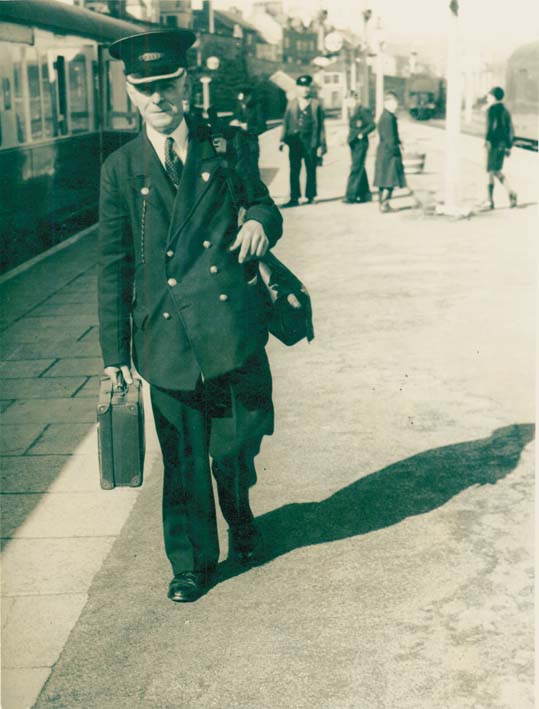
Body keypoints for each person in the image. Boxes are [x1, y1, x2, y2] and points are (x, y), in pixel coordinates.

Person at [98, 29, 283, 603]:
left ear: (186, 84)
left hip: (230, 330)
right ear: (131, 93)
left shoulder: (226, 144)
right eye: (145, 88)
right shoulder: (120, 168)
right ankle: (191, 563)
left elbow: (263, 202)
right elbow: (113, 265)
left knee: (235, 446)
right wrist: (114, 355)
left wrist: (259, 221)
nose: (158, 98)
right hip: (166, 337)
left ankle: (240, 513)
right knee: (181, 461)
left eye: (167, 85)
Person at [279, 75, 327, 207]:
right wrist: (282, 140)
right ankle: (294, 197)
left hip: (310, 142)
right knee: (294, 170)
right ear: (297, 88)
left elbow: (321, 126)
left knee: (311, 169)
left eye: (307, 87)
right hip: (294, 142)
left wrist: (321, 145)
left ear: (310, 88)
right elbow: (286, 122)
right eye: (302, 87)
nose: (305, 89)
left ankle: (311, 196)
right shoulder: (292, 103)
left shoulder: (316, 104)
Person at [483, 86, 517, 209]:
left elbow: (491, 127)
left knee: (490, 171)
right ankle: (511, 193)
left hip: (493, 144)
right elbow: (510, 129)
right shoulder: (505, 110)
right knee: (496, 171)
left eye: (489, 96)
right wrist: (508, 146)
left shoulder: (491, 110)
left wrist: (487, 140)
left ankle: (489, 200)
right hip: (502, 145)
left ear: (494, 97)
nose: (487, 98)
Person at [373, 91, 406, 213]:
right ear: (387, 103)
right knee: (390, 180)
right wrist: (396, 151)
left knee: (384, 180)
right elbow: (390, 138)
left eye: (396, 103)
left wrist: (399, 141)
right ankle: (384, 205)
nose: (396, 106)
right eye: (394, 103)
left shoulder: (385, 116)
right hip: (390, 154)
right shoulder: (389, 118)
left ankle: (383, 204)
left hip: (384, 152)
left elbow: (391, 135)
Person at [343, 93, 375, 204]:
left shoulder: (362, 110)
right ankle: (365, 195)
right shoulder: (352, 111)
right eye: (347, 101)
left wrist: (362, 133)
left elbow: (372, 125)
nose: (348, 103)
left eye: (350, 101)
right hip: (354, 143)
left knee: (355, 168)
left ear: (356, 99)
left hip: (361, 143)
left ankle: (350, 196)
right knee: (359, 167)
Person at [232, 87, 266, 176]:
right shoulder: (238, 106)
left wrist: (248, 128)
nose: (241, 101)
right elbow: (235, 118)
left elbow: (262, 127)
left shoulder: (257, 106)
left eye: (243, 97)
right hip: (239, 144)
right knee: (240, 170)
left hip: (251, 143)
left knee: (253, 169)